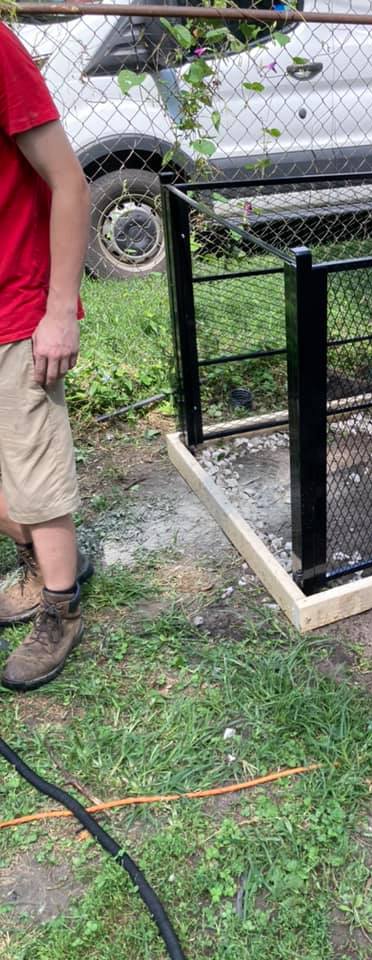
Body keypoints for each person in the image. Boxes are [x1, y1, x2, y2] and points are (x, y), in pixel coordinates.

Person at [0, 23, 93, 692]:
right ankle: (35, 563)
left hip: (16, 302)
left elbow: (71, 183)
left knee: (32, 463)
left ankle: (61, 606)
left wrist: (58, 312)